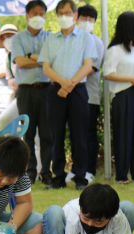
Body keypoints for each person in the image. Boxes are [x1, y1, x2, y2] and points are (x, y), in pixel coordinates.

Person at [39, 0, 97, 191]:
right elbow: (46, 67)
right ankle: (58, 177)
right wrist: (63, 84)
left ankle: (80, 177)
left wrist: (69, 85)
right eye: (60, 13)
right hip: (56, 90)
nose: (64, 16)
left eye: (67, 13)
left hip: (77, 91)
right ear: (56, 16)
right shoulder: (50, 39)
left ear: (75, 15)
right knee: (55, 134)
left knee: (79, 134)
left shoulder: (85, 38)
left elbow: (88, 66)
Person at [103, 11, 134, 184]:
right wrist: (130, 79)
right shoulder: (115, 50)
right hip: (124, 94)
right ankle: (122, 175)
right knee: (123, 134)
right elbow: (108, 73)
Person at [11, 0, 52, 185]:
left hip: (46, 90)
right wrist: (43, 60)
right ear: (27, 16)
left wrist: (31, 57)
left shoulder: (51, 38)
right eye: (35, 13)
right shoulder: (18, 38)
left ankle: (47, 172)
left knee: (47, 134)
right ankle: (29, 173)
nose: (38, 17)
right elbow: (20, 62)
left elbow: (54, 62)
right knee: (27, 133)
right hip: (26, 91)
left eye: (42, 14)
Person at [73, 4, 102, 184]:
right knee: (76, 135)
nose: (87, 22)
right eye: (84, 18)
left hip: (89, 95)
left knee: (88, 134)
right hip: (71, 94)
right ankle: (76, 170)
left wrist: (70, 82)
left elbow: (90, 69)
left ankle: (89, 170)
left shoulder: (96, 42)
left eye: (91, 19)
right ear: (76, 18)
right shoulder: (71, 40)